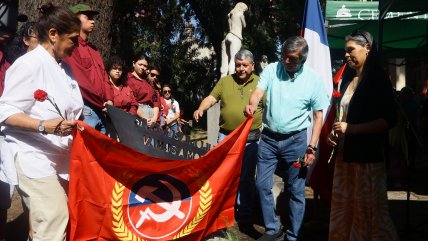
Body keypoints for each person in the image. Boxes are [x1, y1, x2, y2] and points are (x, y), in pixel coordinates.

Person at [0, 3, 83, 241]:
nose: (76, 46)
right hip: (32, 155)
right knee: (53, 217)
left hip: (61, 158)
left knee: (57, 221)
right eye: (73, 39)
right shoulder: (30, 63)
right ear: (54, 34)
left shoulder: (64, 68)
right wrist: (43, 126)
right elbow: (5, 111)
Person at [245, 36, 329, 241]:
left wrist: (312, 147)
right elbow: (257, 91)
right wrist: (252, 103)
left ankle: (293, 235)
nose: (286, 61)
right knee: (262, 185)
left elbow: (318, 117)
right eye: (284, 56)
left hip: (297, 142)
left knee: (296, 190)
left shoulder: (314, 80)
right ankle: (273, 229)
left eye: (291, 58)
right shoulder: (273, 69)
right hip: (269, 140)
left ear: (302, 60)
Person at [327, 30, 399, 241]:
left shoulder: (377, 78)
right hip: (346, 157)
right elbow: (346, 115)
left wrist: (351, 129)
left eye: (351, 50)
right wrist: (335, 132)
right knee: (348, 209)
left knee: (368, 213)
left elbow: (389, 120)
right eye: (345, 51)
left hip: (367, 159)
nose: (347, 55)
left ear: (367, 47)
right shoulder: (350, 79)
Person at [194, 49, 264, 236]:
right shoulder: (225, 81)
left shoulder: (261, 82)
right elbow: (211, 97)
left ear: (252, 66)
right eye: (238, 64)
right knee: (223, 175)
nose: (240, 68)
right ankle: (221, 212)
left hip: (250, 139)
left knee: (247, 178)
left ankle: (245, 215)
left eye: (244, 65)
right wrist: (202, 108)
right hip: (225, 137)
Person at [0, 20, 39, 241]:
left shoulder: (11, 61)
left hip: (17, 133)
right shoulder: (18, 63)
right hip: (9, 127)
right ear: (26, 40)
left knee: (8, 193)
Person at [63, 3, 114, 134]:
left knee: (99, 152)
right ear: (74, 19)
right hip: (85, 107)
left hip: (101, 109)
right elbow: (79, 80)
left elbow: (104, 76)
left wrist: (109, 100)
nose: (93, 21)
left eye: (93, 18)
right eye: (88, 17)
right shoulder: (71, 46)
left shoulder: (94, 49)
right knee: (84, 150)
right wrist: (102, 103)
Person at [127, 54, 160, 126]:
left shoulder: (147, 81)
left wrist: (154, 118)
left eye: (145, 66)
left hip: (153, 116)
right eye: (140, 64)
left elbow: (156, 101)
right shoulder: (128, 79)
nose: (142, 67)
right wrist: (145, 117)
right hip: (139, 115)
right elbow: (132, 101)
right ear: (133, 63)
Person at [220, 2, 248, 77]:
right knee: (233, 59)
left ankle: (222, 77)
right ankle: (231, 78)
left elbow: (229, 26)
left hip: (228, 36)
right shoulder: (240, 14)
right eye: (244, 9)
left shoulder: (230, 15)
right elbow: (244, 25)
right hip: (236, 36)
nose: (244, 11)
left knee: (225, 60)